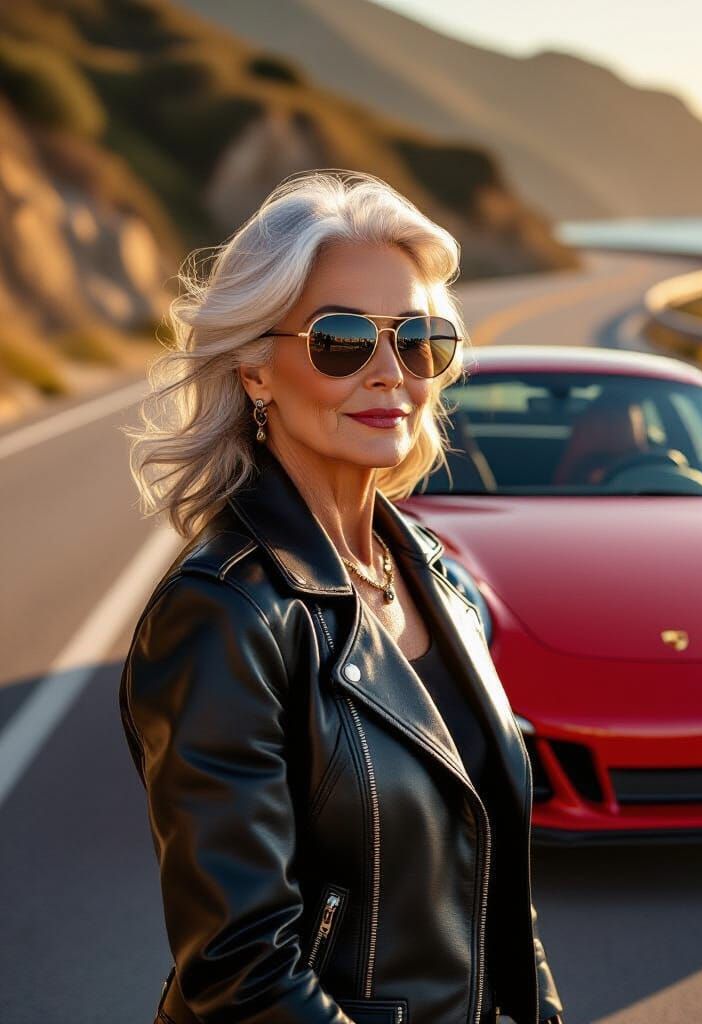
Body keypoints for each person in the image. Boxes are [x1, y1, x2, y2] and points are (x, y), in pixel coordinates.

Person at [118, 169, 565, 1024]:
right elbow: (240, 969)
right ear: (255, 370)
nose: (391, 372)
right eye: (342, 340)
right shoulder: (224, 615)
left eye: (420, 339)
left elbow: (499, 894)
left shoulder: (440, 578)